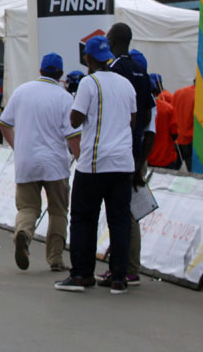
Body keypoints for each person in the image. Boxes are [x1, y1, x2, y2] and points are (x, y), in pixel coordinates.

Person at [55, 35, 137, 295]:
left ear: (88, 58)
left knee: (83, 219)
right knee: (119, 221)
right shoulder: (126, 84)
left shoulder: (90, 83)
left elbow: (76, 120)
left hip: (94, 163)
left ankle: (81, 274)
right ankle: (119, 278)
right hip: (123, 162)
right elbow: (132, 121)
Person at [0, 53, 79, 272]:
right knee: (58, 211)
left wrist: (18, 146)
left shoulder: (22, 91)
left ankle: (23, 233)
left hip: (26, 161)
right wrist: (82, 160)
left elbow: (4, 123)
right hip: (55, 163)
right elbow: (73, 136)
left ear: (41, 70)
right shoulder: (65, 98)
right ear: (61, 74)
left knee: (27, 207)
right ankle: (55, 258)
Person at [106, 25, 155, 286]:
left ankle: (124, 267)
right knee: (127, 211)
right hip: (135, 149)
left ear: (111, 40)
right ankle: (123, 265)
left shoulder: (115, 70)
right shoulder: (141, 71)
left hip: (119, 151)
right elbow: (146, 115)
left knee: (120, 213)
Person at [146, 76, 180, 170]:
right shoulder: (167, 108)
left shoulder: (142, 108)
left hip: (147, 157)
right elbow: (174, 133)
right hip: (165, 156)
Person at [171, 79, 196, 170]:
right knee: (194, 175)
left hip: (176, 139)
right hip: (191, 140)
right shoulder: (200, 97)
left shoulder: (178, 92)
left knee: (171, 172)